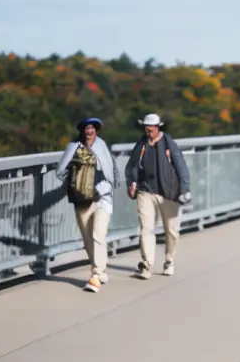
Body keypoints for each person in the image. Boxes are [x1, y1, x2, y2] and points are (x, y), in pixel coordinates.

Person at [54, 117, 122, 293]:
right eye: (86, 128)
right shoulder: (73, 147)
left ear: (96, 130)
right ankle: (99, 269)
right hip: (82, 198)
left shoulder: (102, 146)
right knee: (88, 239)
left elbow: (110, 170)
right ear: (82, 131)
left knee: (98, 235)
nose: (89, 131)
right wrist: (75, 175)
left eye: (92, 128)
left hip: (103, 196)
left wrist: (109, 187)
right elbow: (60, 171)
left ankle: (96, 275)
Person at [125, 113, 191, 279]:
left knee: (172, 231)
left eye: (151, 127)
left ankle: (169, 260)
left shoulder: (169, 144)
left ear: (157, 127)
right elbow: (132, 165)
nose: (148, 130)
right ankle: (147, 265)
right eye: (146, 127)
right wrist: (131, 182)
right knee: (146, 229)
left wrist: (185, 188)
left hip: (168, 192)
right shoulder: (141, 144)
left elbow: (181, 166)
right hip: (145, 191)